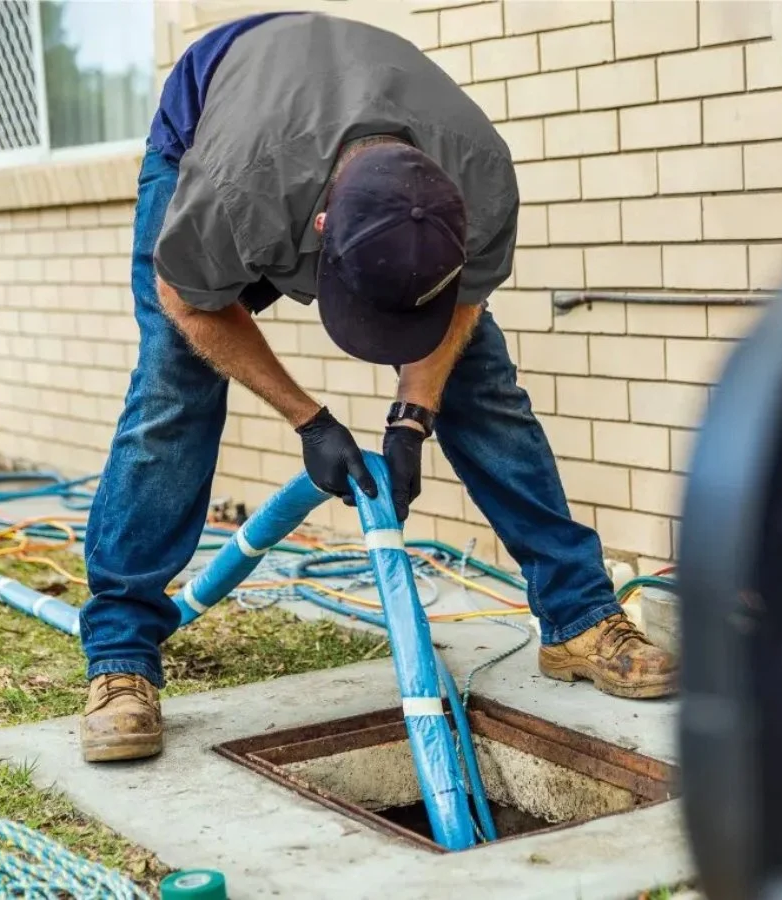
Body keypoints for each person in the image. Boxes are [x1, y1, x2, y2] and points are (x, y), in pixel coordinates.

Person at [77, 11, 677, 763]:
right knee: (176, 387)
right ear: (322, 226)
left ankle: (579, 615)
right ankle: (121, 656)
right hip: (216, 118)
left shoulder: (479, 176)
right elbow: (189, 302)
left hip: (350, 124)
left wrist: (412, 420)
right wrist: (309, 421)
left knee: (481, 381)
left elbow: (464, 305)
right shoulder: (233, 188)